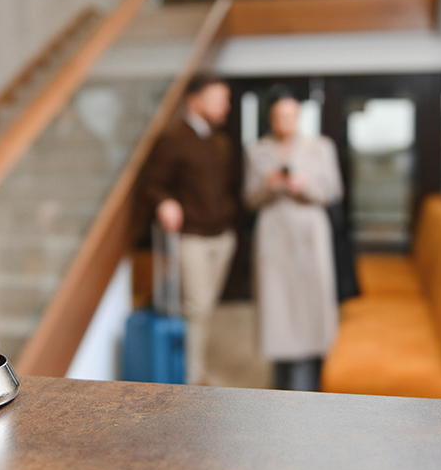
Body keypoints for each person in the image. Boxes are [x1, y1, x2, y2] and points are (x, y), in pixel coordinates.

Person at [140, 73, 239, 386]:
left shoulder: (220, 141)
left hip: (222, 238)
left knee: (205, 309)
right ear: (195, 99)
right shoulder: (172, 138)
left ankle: (197, 371)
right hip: (191, 239)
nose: (227, 105)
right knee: (196, 309)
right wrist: (165, 201)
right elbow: (152, 184)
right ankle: (191, 378)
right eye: (219, 98)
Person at [244, 93, 343, 391]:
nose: (284, 122)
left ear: (299, 116)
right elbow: (249, 198)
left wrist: (305, 185)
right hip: (274, 236)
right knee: (277, 308)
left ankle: (309, 381)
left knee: (310, 305)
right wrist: (269, 185)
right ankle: (281, 381)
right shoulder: (257, 151)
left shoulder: (320, 147)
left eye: (290, 116)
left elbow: (333, 190)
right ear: (271, 119)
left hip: (310, 235)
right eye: (278, 117)